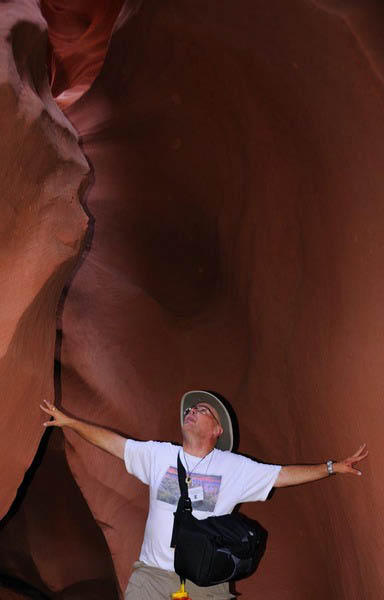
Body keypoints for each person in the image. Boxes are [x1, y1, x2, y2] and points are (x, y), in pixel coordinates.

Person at [40, 390, 368, 600]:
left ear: (217, 430)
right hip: (152, 577)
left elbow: (282, 475)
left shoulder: (233, 467)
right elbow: (112, 443)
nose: (192, 411)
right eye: (190, 408)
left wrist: (331, 467)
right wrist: (70, 423)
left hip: (205, 584)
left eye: (201, 410)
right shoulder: (158, 455)